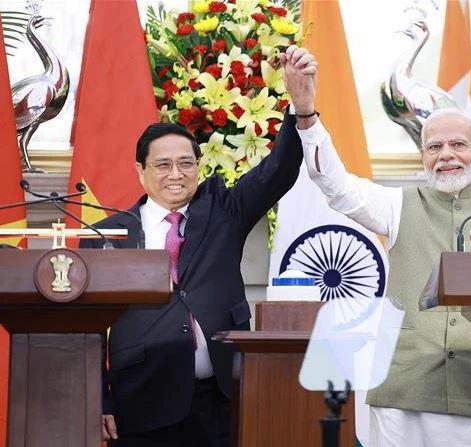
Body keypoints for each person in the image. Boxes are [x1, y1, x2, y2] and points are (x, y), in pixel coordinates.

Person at [80, 45, 318, 447]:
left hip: (223, 400)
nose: (176, 174)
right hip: (142, 406)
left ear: (198, 165)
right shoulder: (108, 236)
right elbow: (86, 332)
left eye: (187, 163)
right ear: (140, 172)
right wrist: (99, 399)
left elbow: (279, 170)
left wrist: (301, 106)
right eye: (162, 165)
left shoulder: (224, 209)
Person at [292, 70, 471, 446]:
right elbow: (338, 186)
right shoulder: (399, 205)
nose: (446, 155)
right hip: (404, 392)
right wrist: (307, 114)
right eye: (434, 147)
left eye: (457, 145)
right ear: (423, 156)